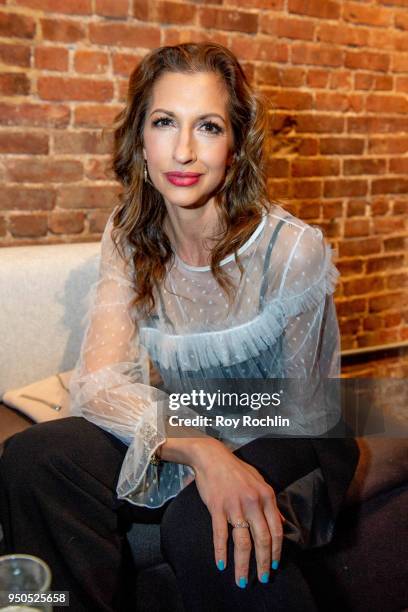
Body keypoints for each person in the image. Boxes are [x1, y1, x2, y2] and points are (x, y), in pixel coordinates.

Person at [0, 42, 359, 611]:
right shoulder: (128, 233)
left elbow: (303, 411)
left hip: (296, 433)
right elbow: (97, 384)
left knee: (201, 523)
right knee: (34, 457)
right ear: (140, 137)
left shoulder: (292, 248)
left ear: (236, 146)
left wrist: (213, 448)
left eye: (209, 127)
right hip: (191, 414)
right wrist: (200, 450)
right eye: (165, 122)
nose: (184, 150)